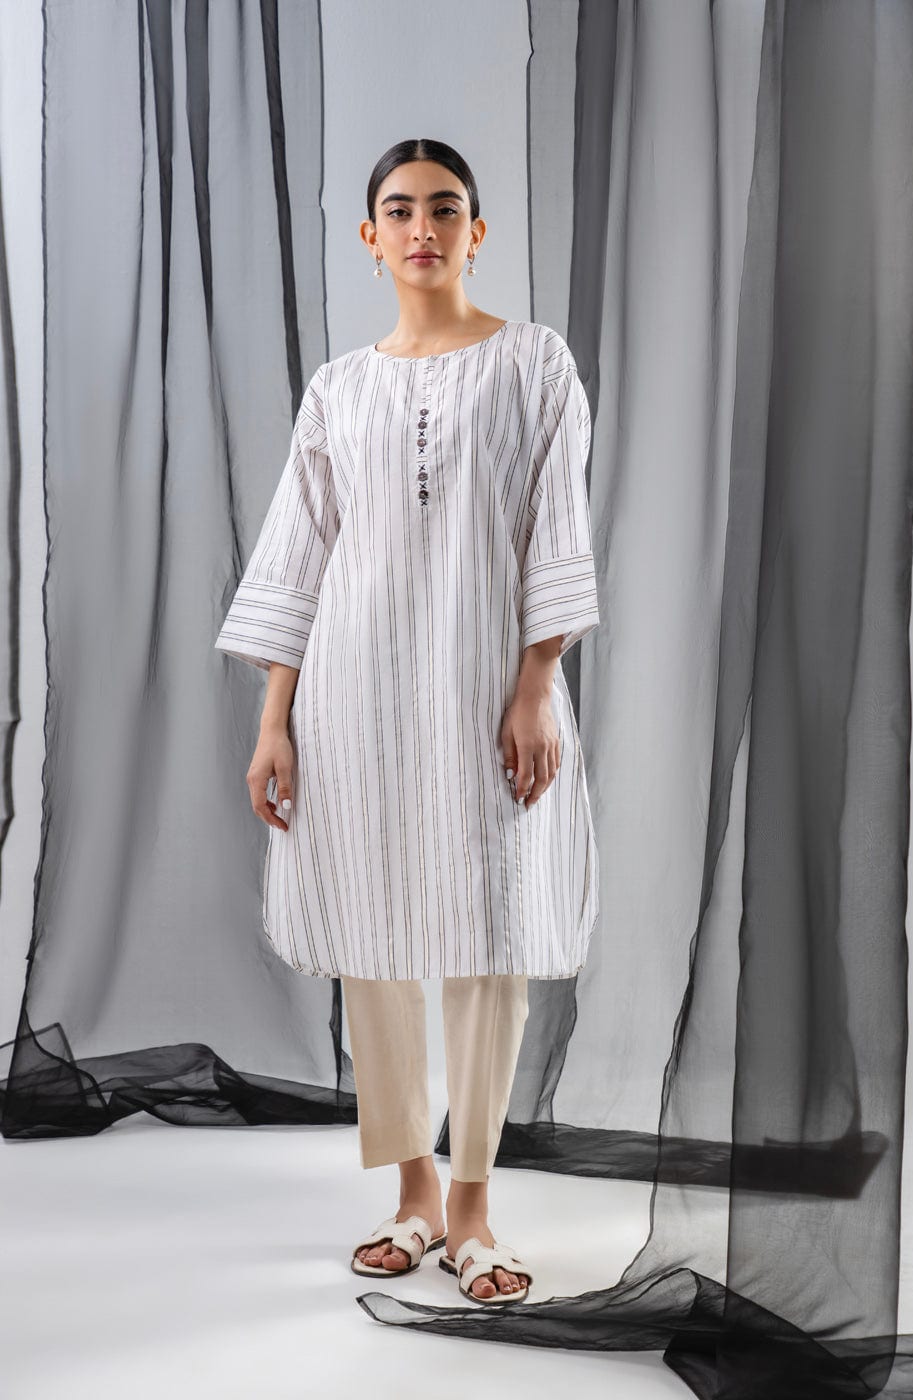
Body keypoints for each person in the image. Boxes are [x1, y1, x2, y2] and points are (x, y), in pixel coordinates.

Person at [214, 138, 601, 1305]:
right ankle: (414, 1192)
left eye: (444, 207)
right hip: (354, 697)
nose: (421, 226)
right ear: (371, 237)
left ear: (476, 232)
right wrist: (275, 721)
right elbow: (299, 555)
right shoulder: (339, 388)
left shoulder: (535, 363)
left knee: (491, 942)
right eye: (399, 209)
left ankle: (475, 1206)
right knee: (374, 944)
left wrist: (535, 684)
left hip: (490, 692)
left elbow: (556, 525)